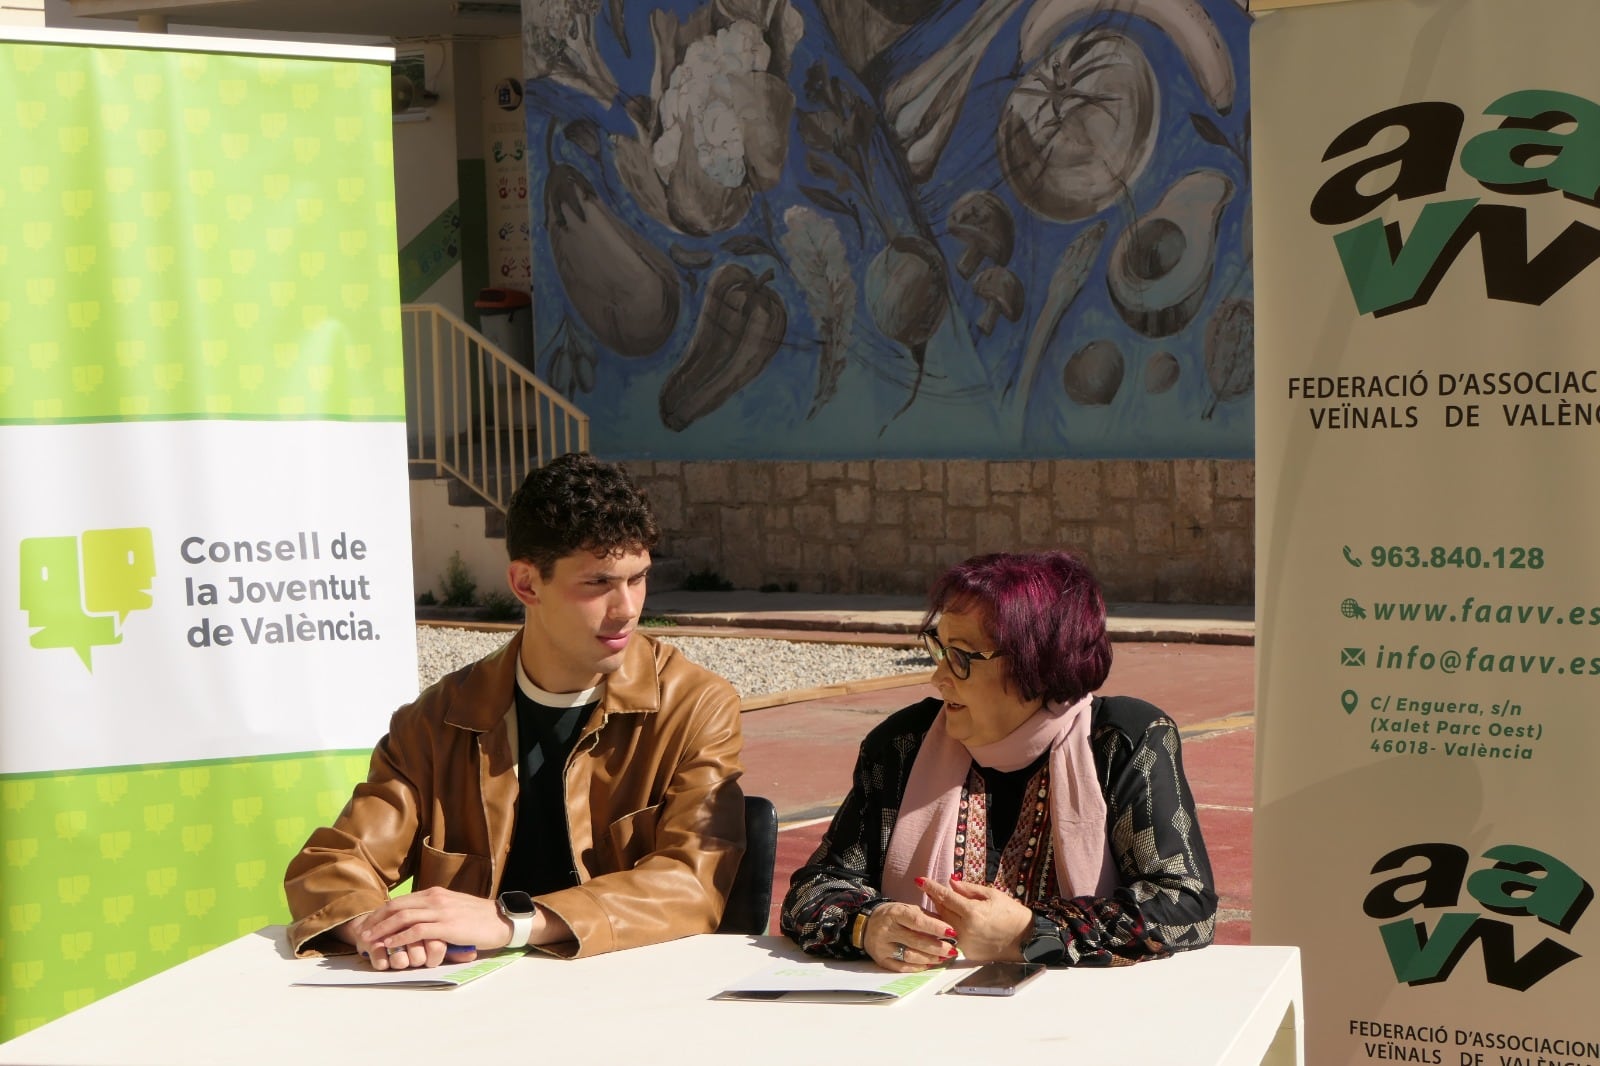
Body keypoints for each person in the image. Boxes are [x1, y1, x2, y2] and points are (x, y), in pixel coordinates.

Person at [285, 453, 745, 968]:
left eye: (637, 578)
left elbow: (691, 882)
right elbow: (334, 862)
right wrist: (380, 929)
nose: (628, 608)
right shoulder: (436, 719)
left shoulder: (694, 706)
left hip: (625, 999)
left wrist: (512, 923)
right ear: (526, 584)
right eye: (598, 583)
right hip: (465, 1011)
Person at [781, 551, 1215, 970]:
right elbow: (813, 890)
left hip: (1076, 1025)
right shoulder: (901, 746)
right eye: (940, 649)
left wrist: (1033, 932)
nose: (938, 677)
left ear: (1038, 668)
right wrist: (867, 925)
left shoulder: (1122, 741)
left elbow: (1186, 904)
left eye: (962, 657)